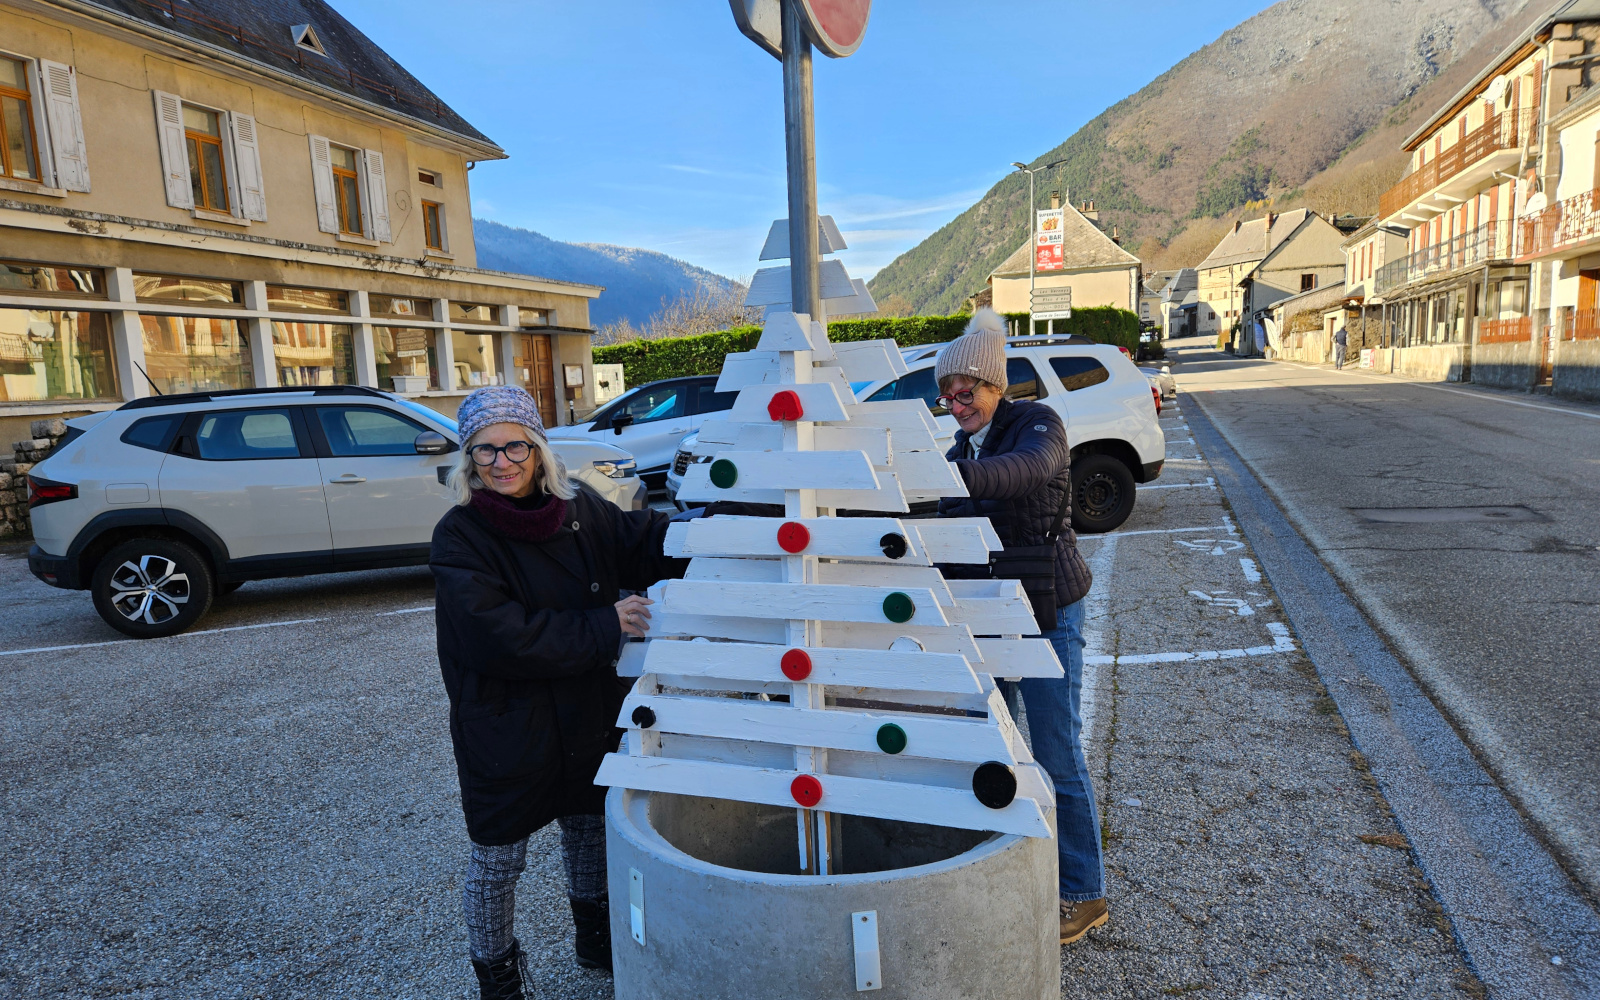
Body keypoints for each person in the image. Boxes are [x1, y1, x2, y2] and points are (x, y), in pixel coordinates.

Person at [430, 385, 685, 1000]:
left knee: (589, 827)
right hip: (505, 720)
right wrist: (605, 624)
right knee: (499, 857)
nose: (502, 462)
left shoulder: (580, 509)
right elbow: (497, 635)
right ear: (469, 460)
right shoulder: (459, 535)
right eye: (485, 450)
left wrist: (719, 527)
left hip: (584, 703)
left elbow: (644, 540)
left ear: (539, 449)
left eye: (515, 445)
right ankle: (498, 977)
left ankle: (595, 938)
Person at [932, 308, 1104, 945]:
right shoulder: (959, 449)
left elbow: (1021, 473)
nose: (956, 407)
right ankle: (1005, 869)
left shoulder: (1039, 424)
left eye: (965, 393)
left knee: (1057, 752)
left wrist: (941, 478)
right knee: (992, 746)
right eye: (948, 397)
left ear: (994, 385)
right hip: (987, 614)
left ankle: (1083, 891)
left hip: (1047, 608)